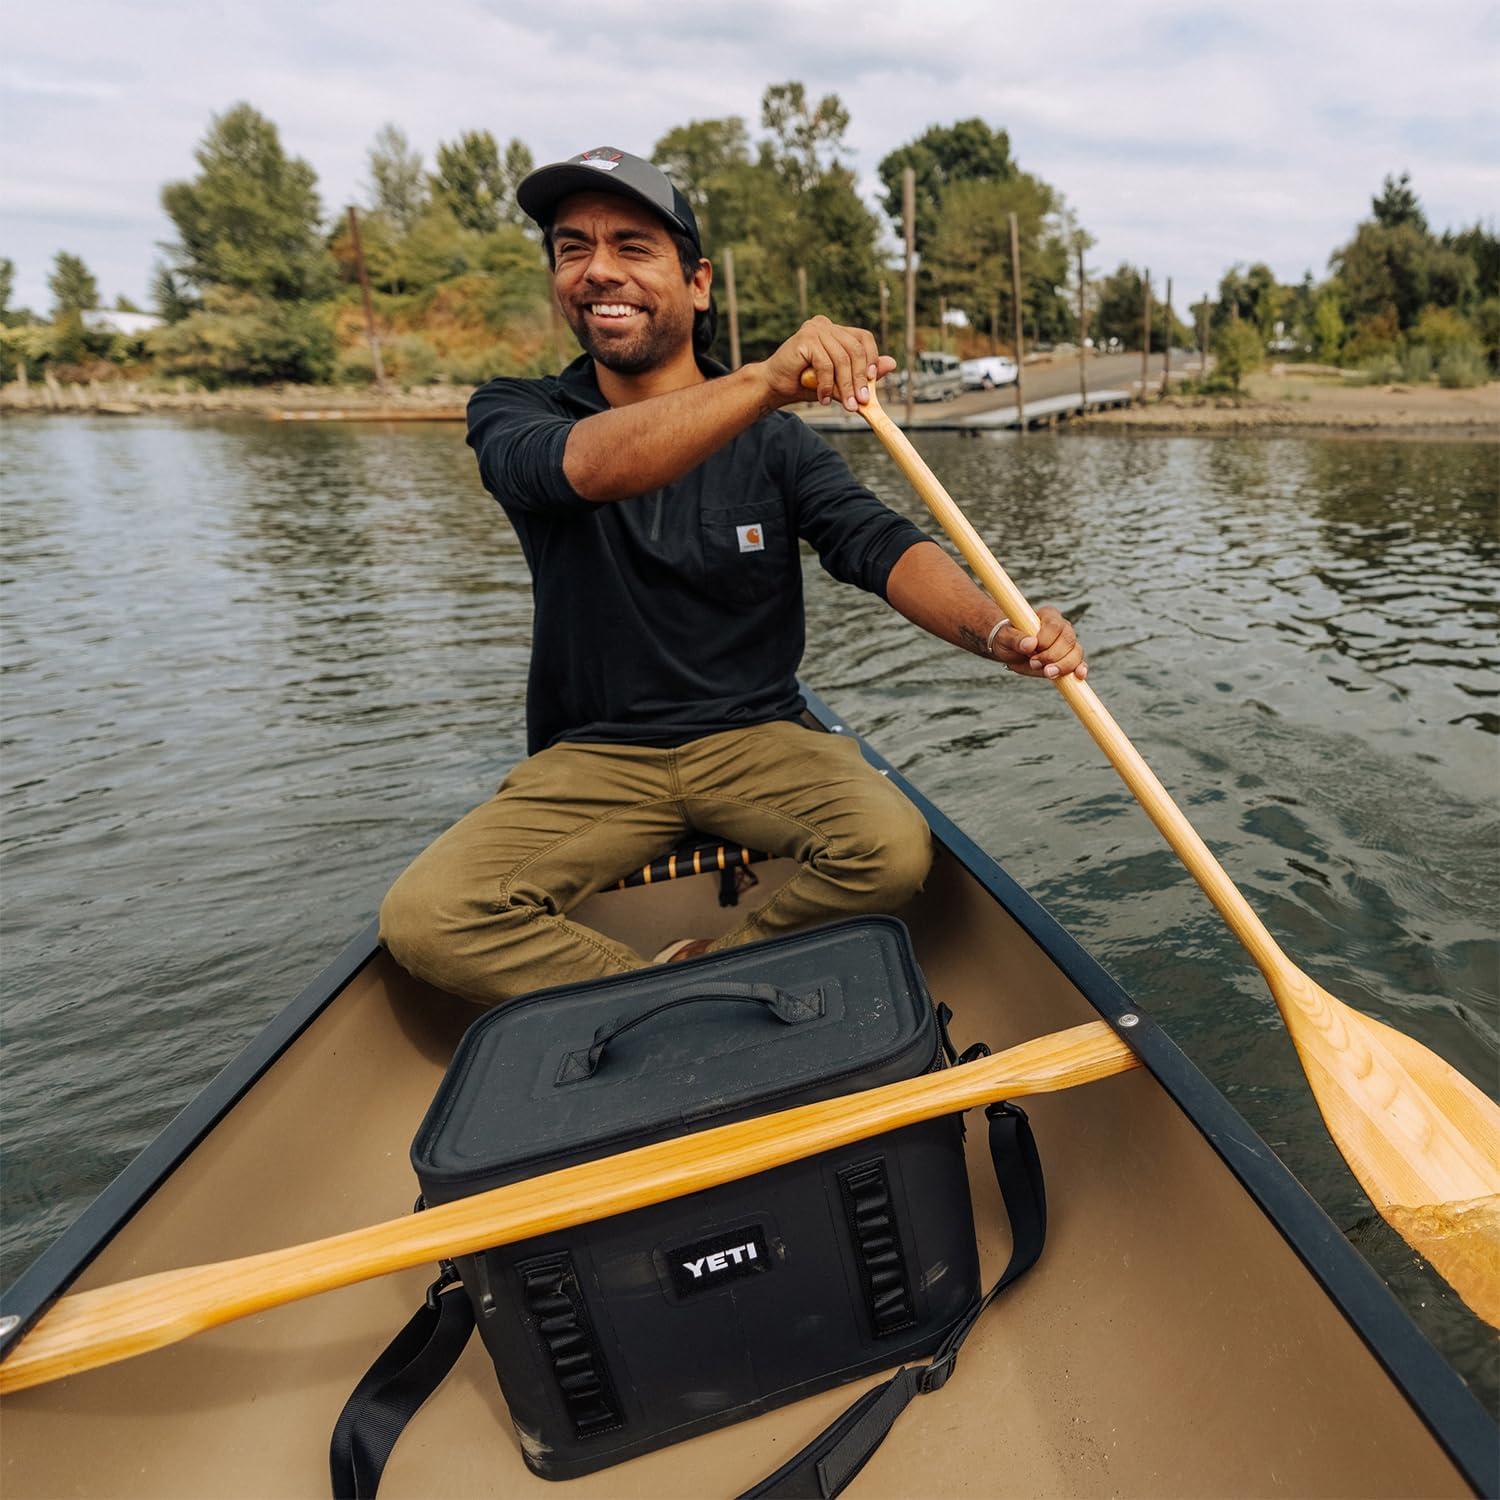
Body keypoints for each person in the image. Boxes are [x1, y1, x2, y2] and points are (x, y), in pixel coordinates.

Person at [379, 147, 1086, 1005]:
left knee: (892, 848)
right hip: (593, 757)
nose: (598, 270)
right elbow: (588, 468)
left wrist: (999, 631)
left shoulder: (777, 441)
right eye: (572, 249)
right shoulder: (516, 411)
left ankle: (718, 964)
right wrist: (765, 381)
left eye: (632, 246)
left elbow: (878, 543)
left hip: (757, 737)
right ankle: (678, 998)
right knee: (427, 916)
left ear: (699, 282)